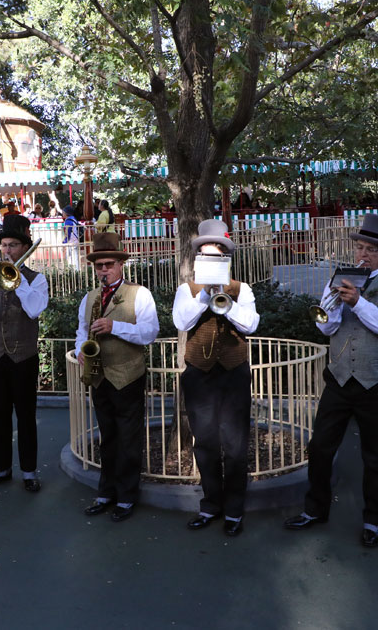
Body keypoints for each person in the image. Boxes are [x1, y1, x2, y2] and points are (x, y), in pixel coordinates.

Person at [284, 214, 378, 548]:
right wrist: (334, 307)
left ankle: (373, 521)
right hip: (339, 379)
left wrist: (358, 301)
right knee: (320, 448)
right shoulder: (337, 278)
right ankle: (315, 510)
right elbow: (325, 328)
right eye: (360, 246)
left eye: (372, 249)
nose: (364, 254)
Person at [173, 220, 259, 537]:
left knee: (235, 446)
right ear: (198, 259)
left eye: (217, 256)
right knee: (206, 444)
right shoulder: (187, 289)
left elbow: (250, 325)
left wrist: (226, 300)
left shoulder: (242, 289)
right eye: (206, 256)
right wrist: (203, 296)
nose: (211, 260)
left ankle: (234, 510)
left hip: (234, 373)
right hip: (199, 375)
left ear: (226, 259)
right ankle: (211, 505)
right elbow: (181, 321)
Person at [75, 233, 159, 522]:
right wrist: (79, 351)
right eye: (99, 266)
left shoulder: (140, 294)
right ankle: (106, 492)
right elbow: (80, 332)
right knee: (107, 437)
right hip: (99, 377)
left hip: (128, 376)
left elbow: (149, 333)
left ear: (121, 264)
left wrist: (114, 326)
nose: (103, 270)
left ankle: (127, 497)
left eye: (109, 264)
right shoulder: (89, 298)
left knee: (129, 438)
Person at [0, 215, 49, 492]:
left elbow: (35, 309)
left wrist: (18, 282)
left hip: (23, 357)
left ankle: (29, 472)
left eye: (12, 245)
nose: (6, 250)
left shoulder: (37, 280)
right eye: (3, 245)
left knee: (26, 416)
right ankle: (0, 469)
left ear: (24, 247)